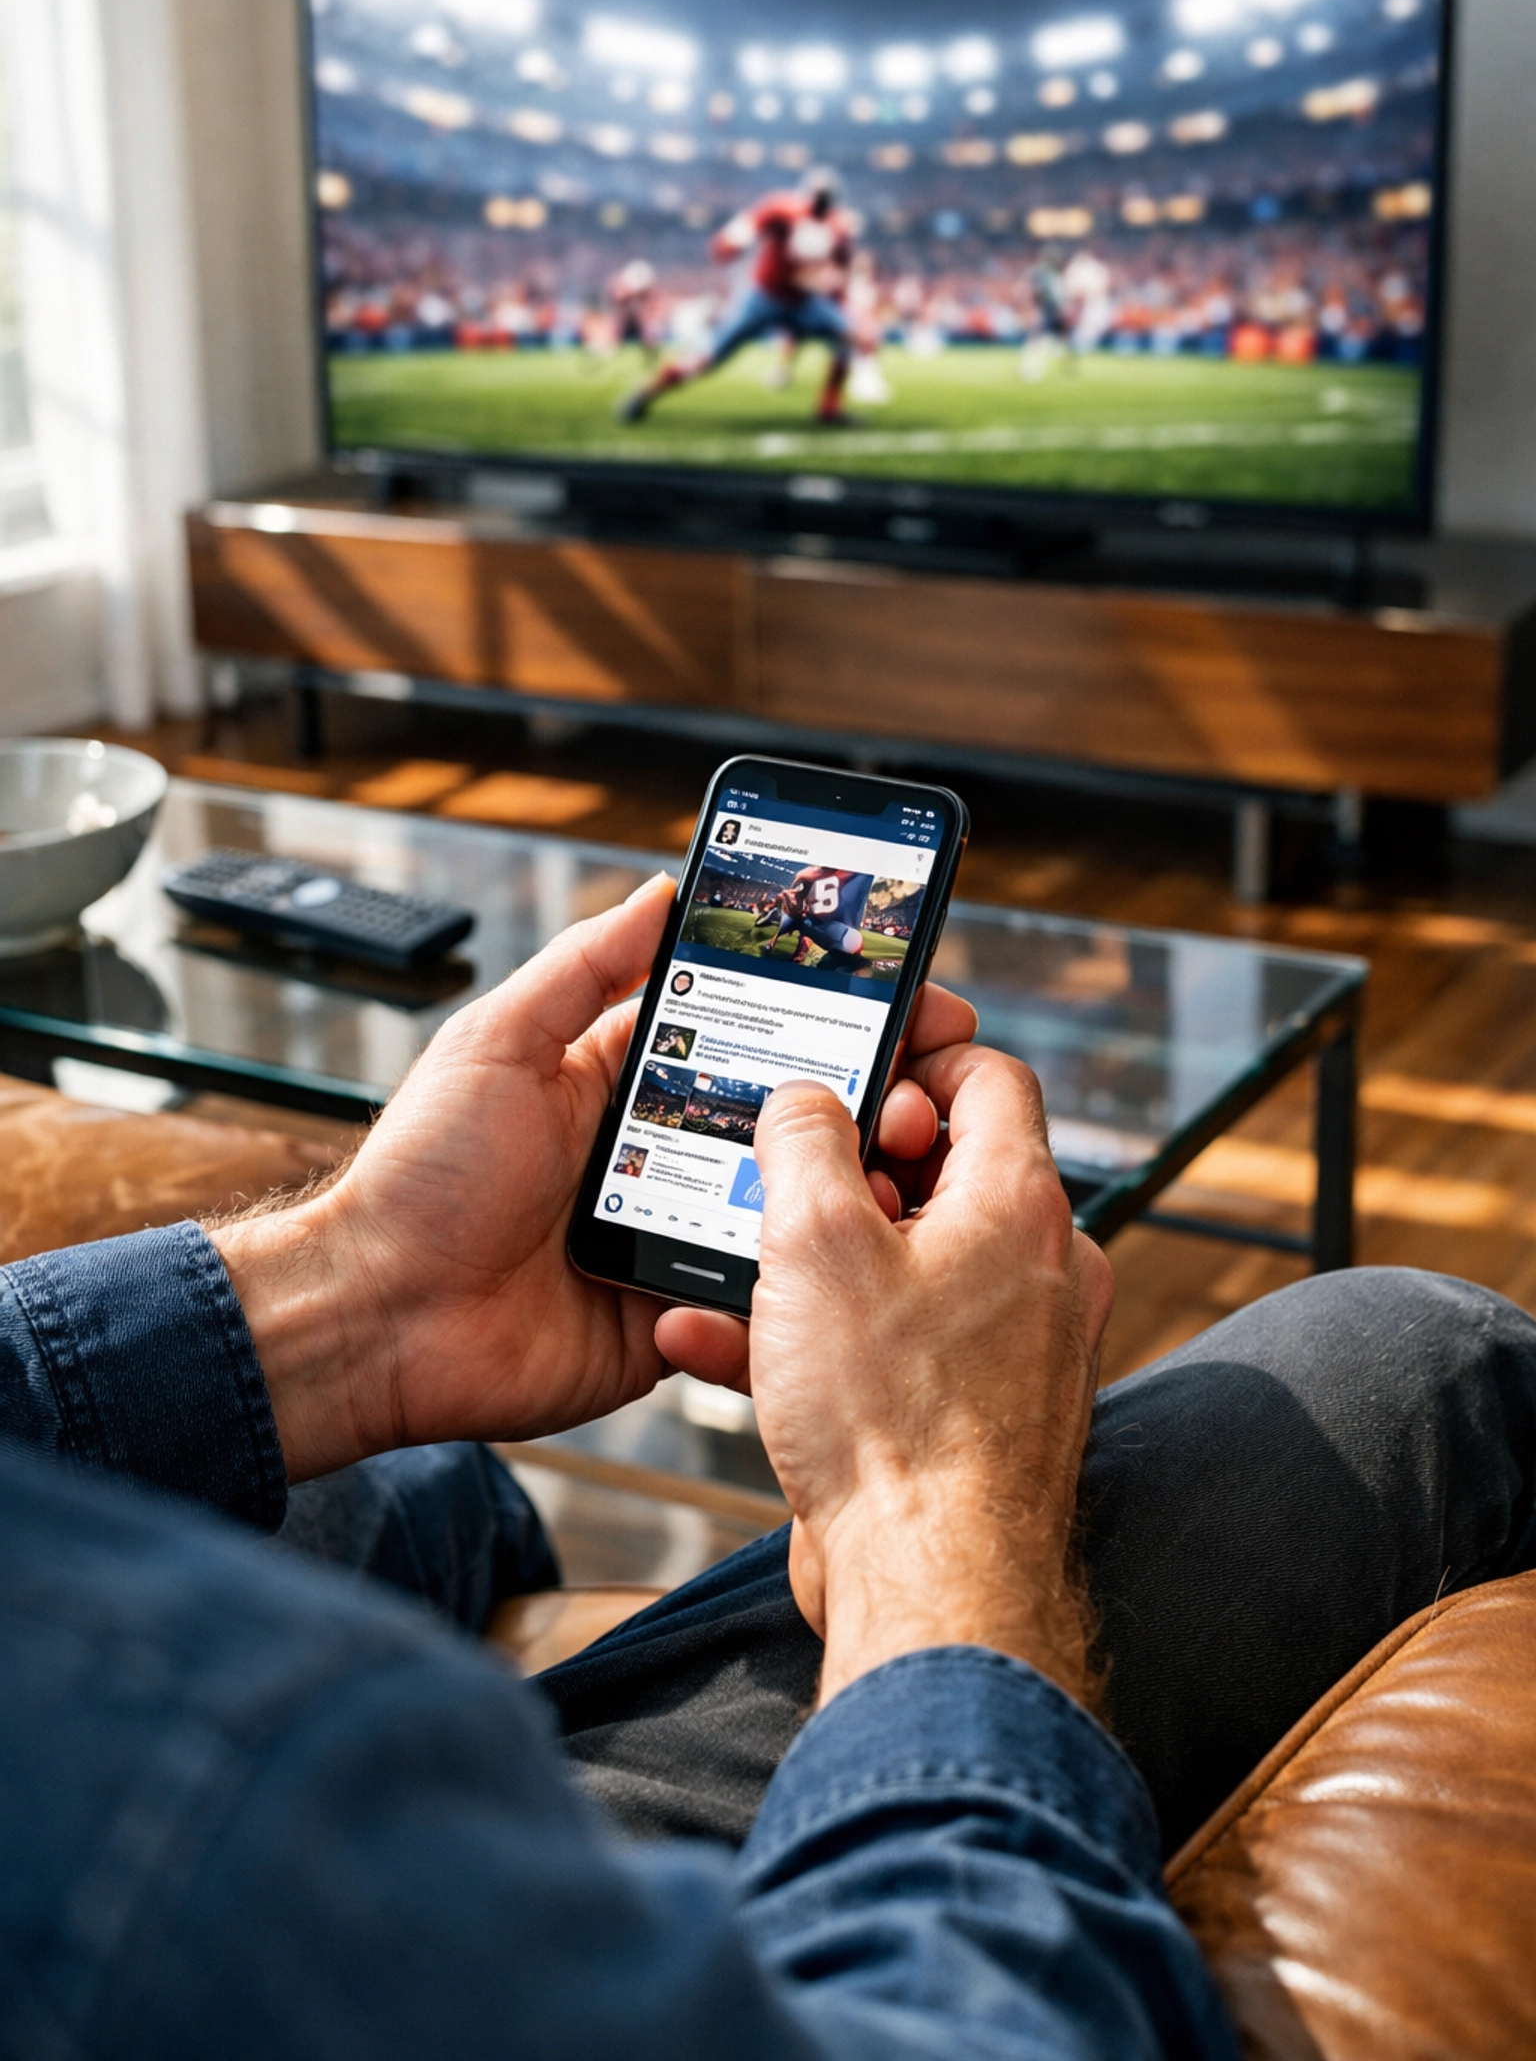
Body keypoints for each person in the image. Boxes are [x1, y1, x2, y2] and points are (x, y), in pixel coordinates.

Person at [2, 872, 1535, 2059]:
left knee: (419, 1487)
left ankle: (450, 1482)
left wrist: (351, 1301)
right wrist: (928, 1516)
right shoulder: (195, 1787)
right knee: (1421, 1362)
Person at [618, 169, 857, 426]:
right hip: (765, 298)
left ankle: (829, 408)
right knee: (710, 354)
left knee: (848, 336)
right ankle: (647, 392)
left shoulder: (838, 230)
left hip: (805, 302)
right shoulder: (784, 210)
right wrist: (730, 242)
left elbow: (840, 274)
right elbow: (751, 223)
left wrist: (837, 305)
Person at [754, 864, 874, 968]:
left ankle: (779, 941)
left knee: (803, 922)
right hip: (839, 933)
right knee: (801, 919)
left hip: (841, 934)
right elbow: (795, 897)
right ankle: (776, 943)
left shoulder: (812, 874)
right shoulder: (809, 874)